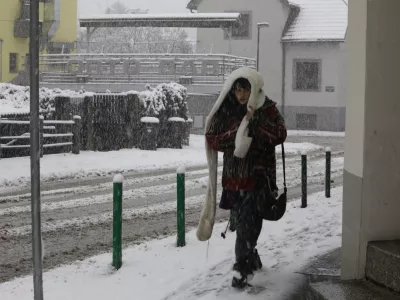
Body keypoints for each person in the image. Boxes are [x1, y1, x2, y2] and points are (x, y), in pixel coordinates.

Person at [196, 67, 287, 289]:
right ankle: (251, 256)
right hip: (235, 178)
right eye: (237, 89)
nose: (240, 95)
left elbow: (280, 133)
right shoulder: (227, 109)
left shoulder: (266, 108)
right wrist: (236, 137)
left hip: (258, 179)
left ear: (254, 88)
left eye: (244, 89)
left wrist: (255, 124)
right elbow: (212, 136)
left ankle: (241, 267)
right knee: (241, 222)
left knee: (248, 222)